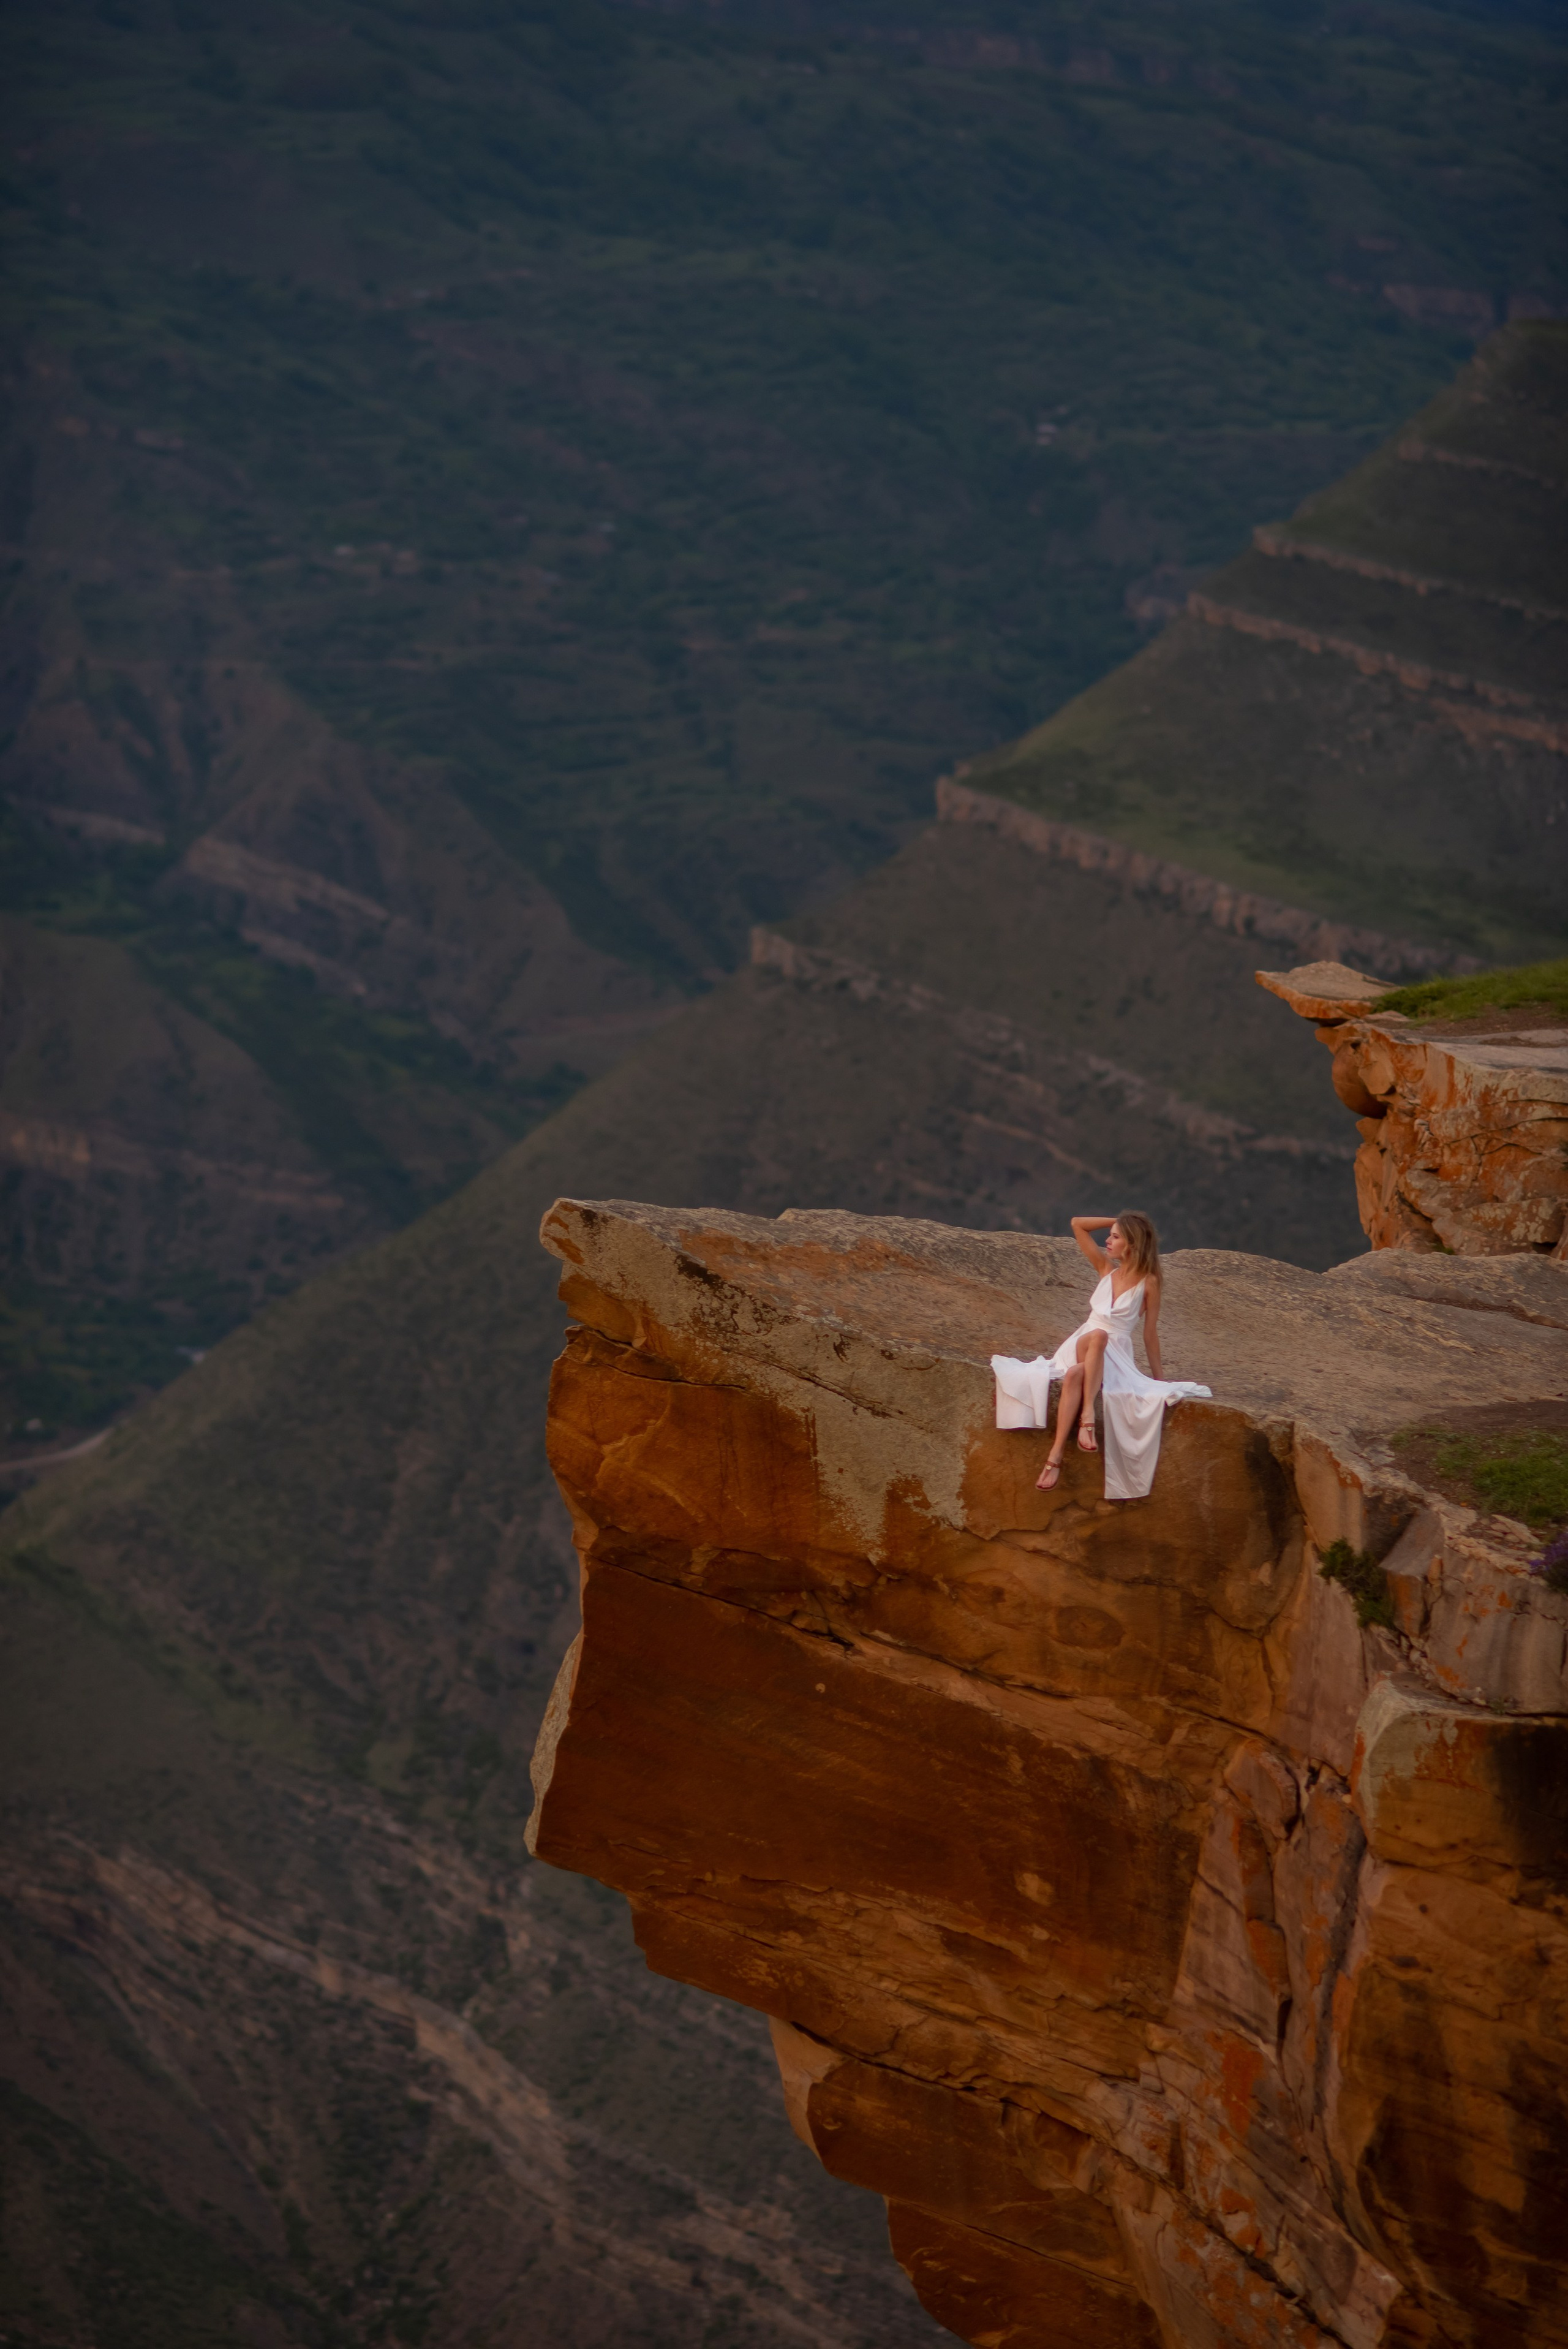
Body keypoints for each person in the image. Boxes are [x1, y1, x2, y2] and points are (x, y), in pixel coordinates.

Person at [991, 1212, 1211, 1503]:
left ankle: (1055, 1457)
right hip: (1082, 1344)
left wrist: (1159, 1381)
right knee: (1098, 1336)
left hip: (1114, 1357)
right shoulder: (1106, 1270)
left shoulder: (1149, 1282)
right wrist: (1118, 1221)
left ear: (1132, 1244)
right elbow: (1077, 1224)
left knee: (1075, 1375)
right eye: (1110, 1234)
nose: (1107, 1241)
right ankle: (1088, 1418)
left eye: (1116, 1237)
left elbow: (1150, 1335)